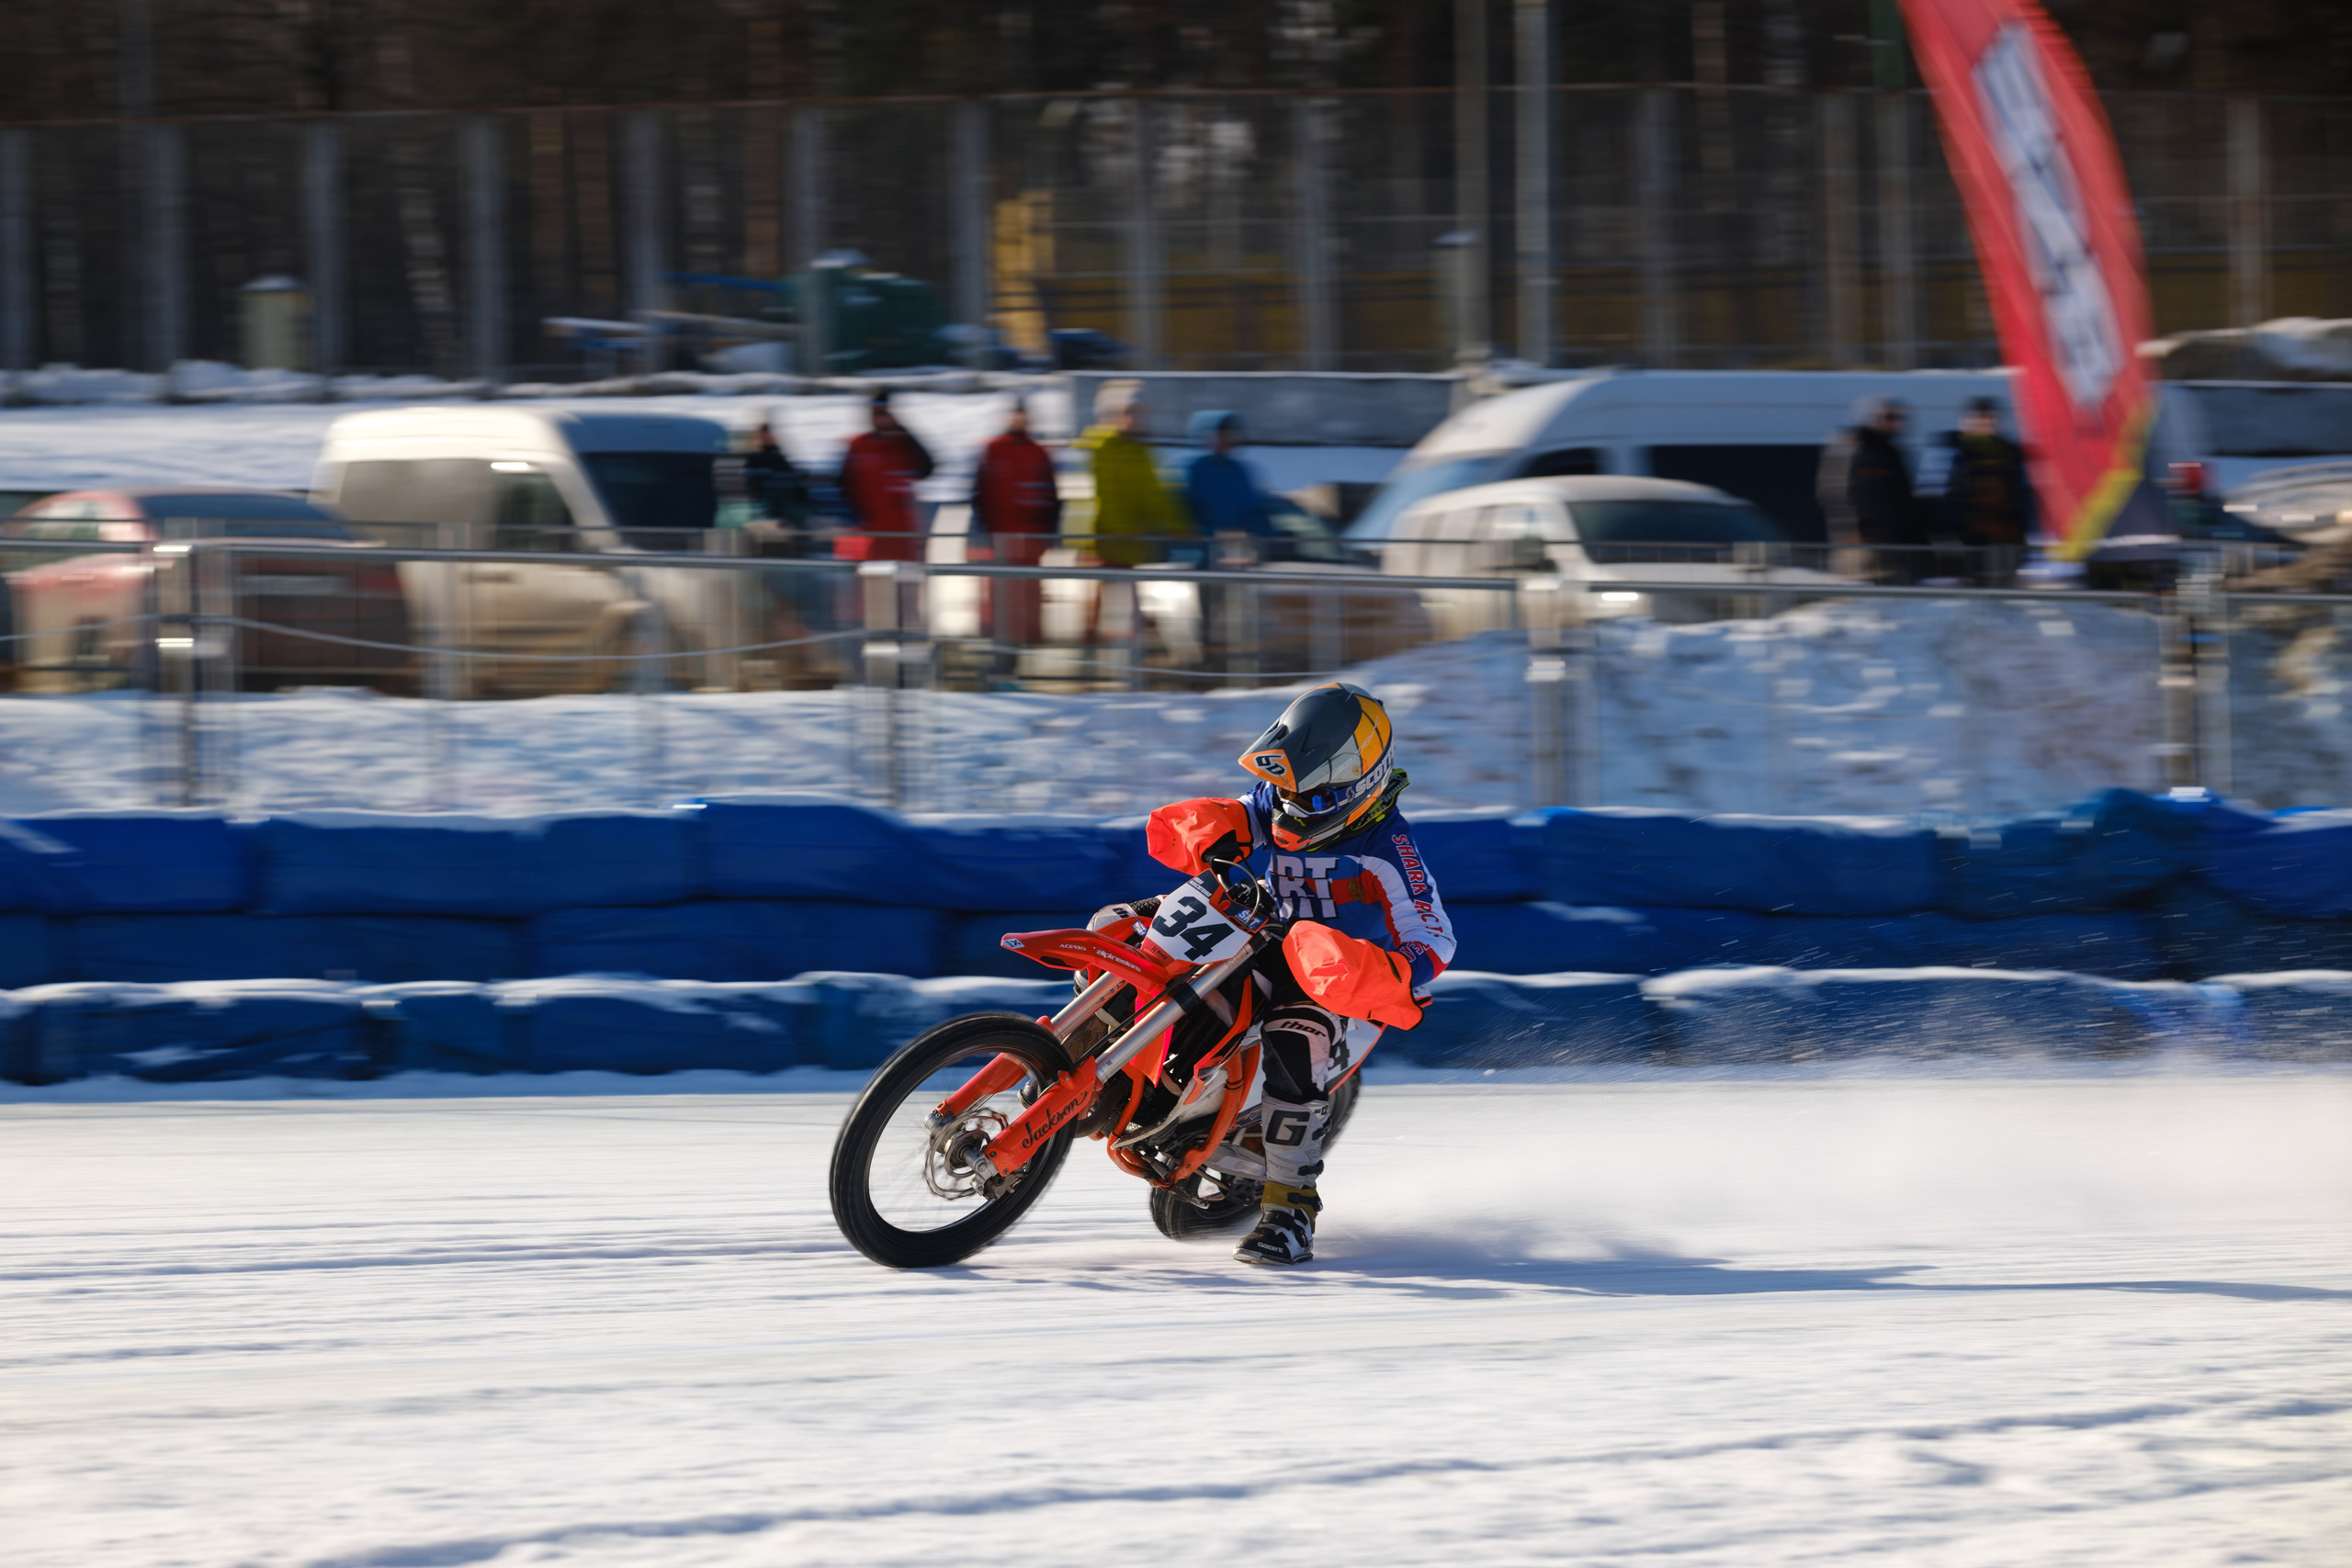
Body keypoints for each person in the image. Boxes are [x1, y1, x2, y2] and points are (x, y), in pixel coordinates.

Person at [1103, 682, 1455, 1266]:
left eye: (1311, 798)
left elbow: (1434, 936)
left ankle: (1291, 1214)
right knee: (1119, 926)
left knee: (1295, 1031)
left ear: (1359, 785)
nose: (1293, 807)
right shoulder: (1281, 801)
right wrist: (1207, 829)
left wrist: (1389, 971)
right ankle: (1093, 1057)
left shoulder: (1387, 845)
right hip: (1259, 929)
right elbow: (1241, 816)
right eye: (1287, 789)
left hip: (1334, 974)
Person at [1074, 381, 1191, 645]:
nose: (1138, 419)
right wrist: (1120, 527)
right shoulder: (1101, 448)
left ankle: (1135, 658)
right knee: (1101, 599)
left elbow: (1154, 493)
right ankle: (1091, 660)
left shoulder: (1140, 450)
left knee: (1130, 597)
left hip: (1130, 539)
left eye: (1140, 412)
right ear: (1114, 414)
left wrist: (1177, 524)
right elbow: (1103, 493)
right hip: (1102, 538)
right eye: (1130, 412)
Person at [969, 396, 1061, 649]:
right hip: (999, 540)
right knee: (999, 597)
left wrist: (1049, 534)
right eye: (1014, 414)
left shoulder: (1039, 453)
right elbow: (978, 494)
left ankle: (1028, 648)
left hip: (1031, 542)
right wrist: (982, 532)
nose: (1018, 419)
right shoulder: (993, 450)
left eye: (1022, 414)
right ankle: (998, 648)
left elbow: (1051, 497)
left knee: (1030, 596)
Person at [1818, 395, 1929, 583]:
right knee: (1863, 604)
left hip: (1893, 548)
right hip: (1860, 548)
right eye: (1889, 418)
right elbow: (1837, 495)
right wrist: (1854, 537)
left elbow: (1902, 501)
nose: (1896, 424)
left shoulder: (1891, 452)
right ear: (1871, 418)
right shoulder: (1852, 447)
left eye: (1900, 418)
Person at [1937, 396, 2034, 587]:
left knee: (2005, 587)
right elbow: (1944, 494)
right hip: (1969, 536)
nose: (1985, 423)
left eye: (1990, 418)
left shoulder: (2009, 451)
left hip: (2006, 536)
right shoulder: (1954, 450)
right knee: (1973, 590)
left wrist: (2022, 531)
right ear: (1966, 421)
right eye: (1980, 418)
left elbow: (2021, 494)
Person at [838, 389, 934, 562]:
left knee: (905, 579)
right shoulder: (858, 446)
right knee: (872, 582)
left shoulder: (902, 444)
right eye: (876, 414)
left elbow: (926, 470)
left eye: (885, 414)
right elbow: (844, 485)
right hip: (871, 531)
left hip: (903, 531)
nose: (880, 419)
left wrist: (904, 433)